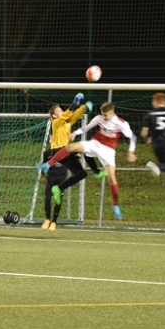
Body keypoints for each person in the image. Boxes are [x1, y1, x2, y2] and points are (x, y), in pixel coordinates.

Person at [40, 102, 137, 220]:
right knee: (70, 147)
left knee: (112, 178)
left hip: (109, 151)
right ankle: (48, 165)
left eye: (105, 115)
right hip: (95, 143)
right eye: (102, 114)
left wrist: (131, 151)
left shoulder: (122, 123)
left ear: (112, 113)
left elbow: (133, 137)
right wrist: (76, 133)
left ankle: (115, 205)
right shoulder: (99, 118)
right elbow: (87, 127)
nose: (103, 117)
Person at [42, 93, 102, 230]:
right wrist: (75, 103)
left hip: (64, 156)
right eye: (59, 110)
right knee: (47, 196)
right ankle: (47, 219)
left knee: (78, 174)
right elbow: (67, 114)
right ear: (54, 116)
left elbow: (73, 116)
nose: (62, 111)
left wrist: (83, 108)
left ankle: (54, 221)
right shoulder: (56, 123)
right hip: (57, 152)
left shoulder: (66, 124)